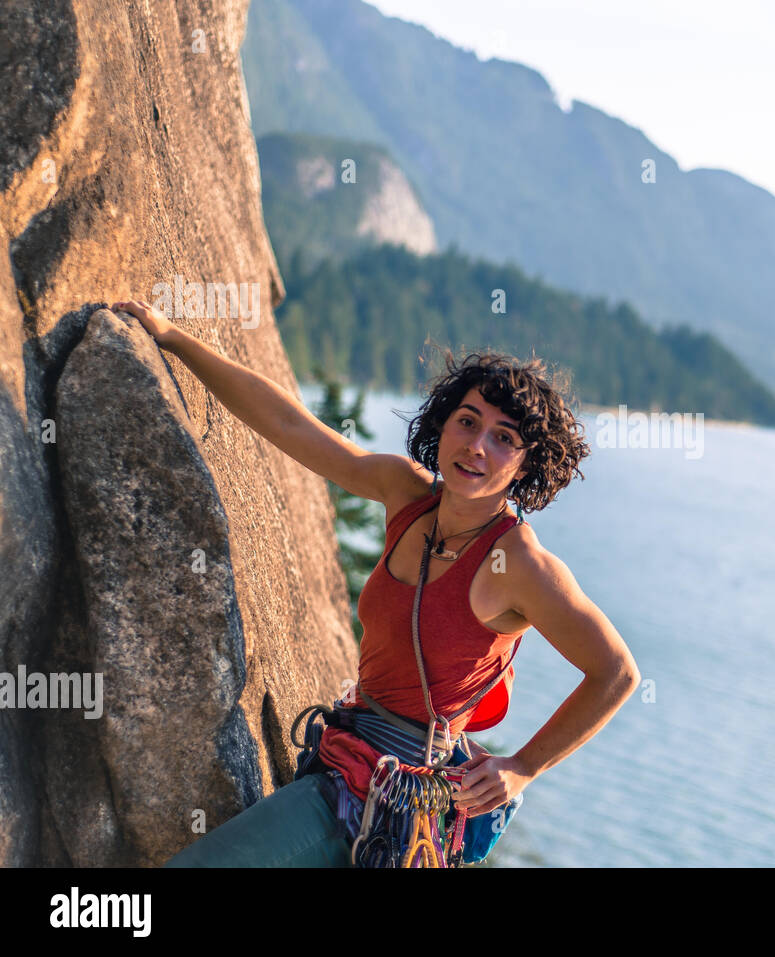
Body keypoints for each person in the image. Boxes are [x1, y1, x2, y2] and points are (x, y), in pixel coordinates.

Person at [109, 298, 641, 866]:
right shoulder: (405, 494)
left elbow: (616, 673)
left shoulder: (521, 565)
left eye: (505, 437)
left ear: (528, 462)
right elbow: (290, 425)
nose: (477, 446)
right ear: (443, 424)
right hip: (344, 757)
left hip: (392, 803)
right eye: (467, 422)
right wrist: (175, 341)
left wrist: (523, 767)